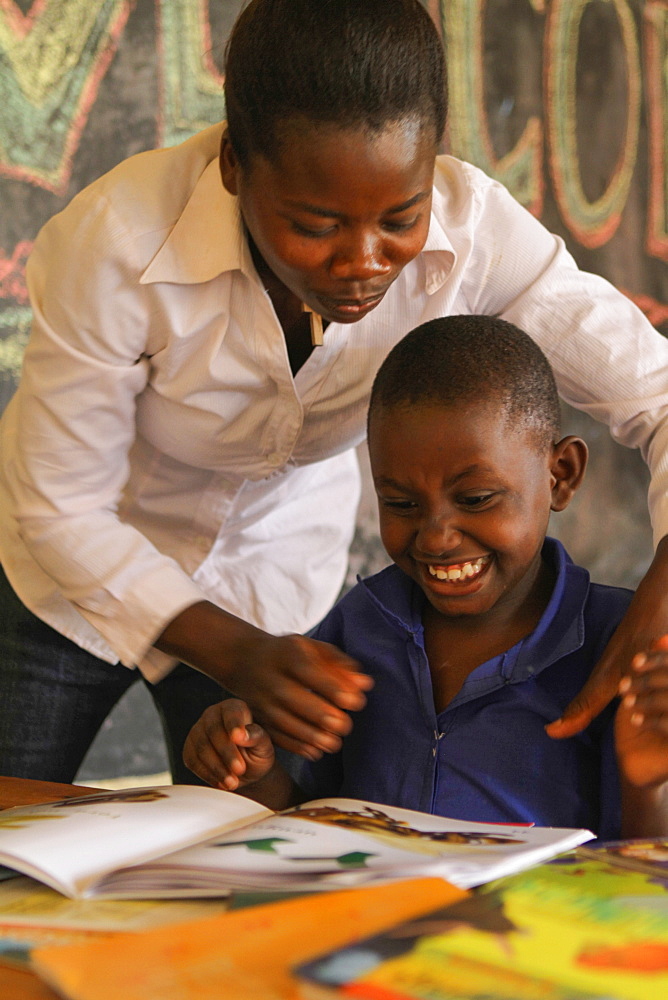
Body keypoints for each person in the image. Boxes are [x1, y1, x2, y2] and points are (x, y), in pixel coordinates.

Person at [1, 0, 668, 783]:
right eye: (315, 224)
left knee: (245, 863)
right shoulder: (116, 242)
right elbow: (62, 506)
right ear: (233, 167)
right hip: (73, 578)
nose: (363, 261)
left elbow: (657, 393)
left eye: (400, 217)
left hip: (272, 584)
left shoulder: (476, 233)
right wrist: (237, 652)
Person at [183, 317, 668, 839]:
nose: (435, 538)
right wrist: (259, 780)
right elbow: (326, 825)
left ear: (561, 475)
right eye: (401, 504)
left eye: (476, 499)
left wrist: (649, 786)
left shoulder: (621, 646)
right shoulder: (361, 627)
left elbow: (642, 884)